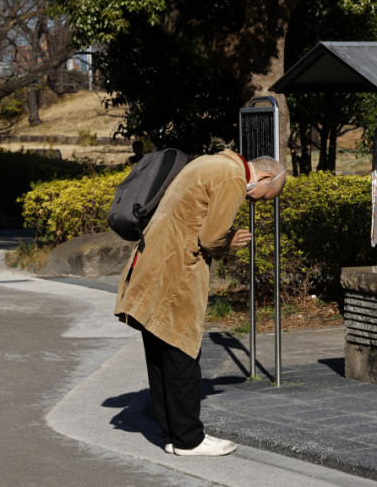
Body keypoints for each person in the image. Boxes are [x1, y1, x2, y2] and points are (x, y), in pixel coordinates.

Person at [114, 150, 286, 456]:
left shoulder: (210, 161)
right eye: (263, 196)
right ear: (265, 177)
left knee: (159, 348)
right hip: (178, 266)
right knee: (182, 347)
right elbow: (210, 238)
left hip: (154, 257)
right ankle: (189, 439)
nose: (255, 202)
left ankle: (171, 434)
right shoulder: (233, 176)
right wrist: (229, 240)